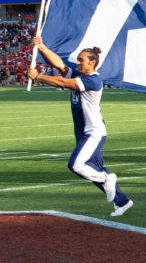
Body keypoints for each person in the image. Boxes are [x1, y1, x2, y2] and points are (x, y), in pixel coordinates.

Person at [27, 36, 132, 216]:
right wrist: (42, 47)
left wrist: (39, 77)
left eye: (81, 60)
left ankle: (107, 178)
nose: (78, 63)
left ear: (92, 63)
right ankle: (122, 201)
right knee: (93, 169)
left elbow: (63, 82)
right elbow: (60, 66)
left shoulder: (93, 80)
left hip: (93, 132)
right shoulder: (80, 75)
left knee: (76, 165)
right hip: (83, 132)